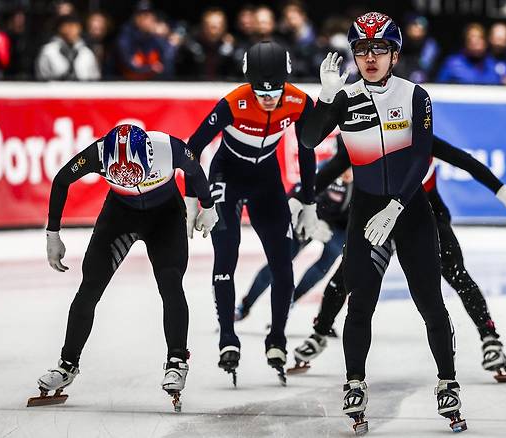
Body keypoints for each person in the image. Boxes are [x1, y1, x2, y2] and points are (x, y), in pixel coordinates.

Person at [300, 11, 466, 433]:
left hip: (408, 212)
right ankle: (354, 382)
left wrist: (396, 205)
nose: (369, 57)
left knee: (430, 302)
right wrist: (324, 96)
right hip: (366, 214)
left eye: (379, 49)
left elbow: (420, 155)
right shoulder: (345, 96)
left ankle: (448, 382)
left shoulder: (415, 96)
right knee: (361, 304)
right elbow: (308, 139)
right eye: (361, 49)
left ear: (395, 53)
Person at [289, 137, 506, 384]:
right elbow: (330, 170)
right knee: (345, 277)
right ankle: (319, 333)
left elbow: (465, 161)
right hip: (379, 217)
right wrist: (299, 202)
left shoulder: (418, 136)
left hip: (425, 218)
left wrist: (502, 192)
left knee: (457, 275)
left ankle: (489, 337)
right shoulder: (366, 138)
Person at [28, 124, 218, 412]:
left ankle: (177, 360)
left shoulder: (170, 147)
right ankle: (67, 364)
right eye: (122, 179)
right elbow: (62, 179)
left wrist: (208, 206)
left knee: (170, 283)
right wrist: (52, 235)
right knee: (90, 288)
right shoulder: (99, 153)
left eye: (136, 177)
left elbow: (195, 171)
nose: (131, 183)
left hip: (165, 218)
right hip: (120, 218)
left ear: (150, 156)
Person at [184, 40, 317, 386]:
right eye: (261, 93)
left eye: (275, 92)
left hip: (266, 180)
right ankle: (227, 336)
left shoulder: (299, 101)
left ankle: (277, 339)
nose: (269, 99)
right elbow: (192, 148)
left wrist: (309, 200)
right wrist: (191, 200)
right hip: (226, 176)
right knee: (225, 256)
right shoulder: (233, 102)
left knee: (282, 263)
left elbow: (307, 151)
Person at [235, 140, 352, 321]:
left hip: (338, 226)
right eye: (343, 166)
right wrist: (309, 222)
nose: (347, 174)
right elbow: (293, 198)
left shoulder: (364, 180)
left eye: (352, 168)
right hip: (309, 217)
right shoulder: (321, 169)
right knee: (280, 261)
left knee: (331, 256)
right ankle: (245, 305)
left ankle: (291, 301)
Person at [437, 23, 506, 85]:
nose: (475, 42)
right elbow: (440, 89)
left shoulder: (496, 66)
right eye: (471, 38)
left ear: (485, 42)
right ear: (465, 42)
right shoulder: (452, 64)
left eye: (479, 38)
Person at [35, 14, 101, 81]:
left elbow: (94, 77)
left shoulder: (87, 53)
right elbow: (42, 76)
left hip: (83, 90)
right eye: (68, 26)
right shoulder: (48, 51)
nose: (72, 30)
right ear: (60, 28)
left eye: (75, 27)